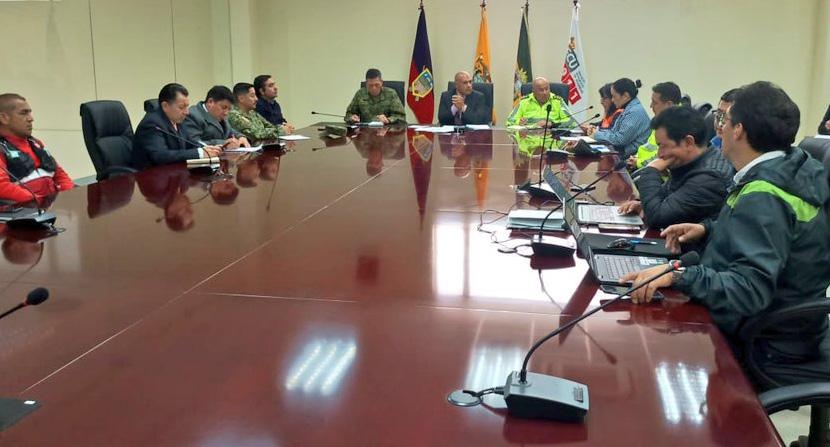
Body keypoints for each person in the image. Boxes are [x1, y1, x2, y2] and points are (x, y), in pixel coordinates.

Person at [622, 81, 830, 371]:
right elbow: (776, 235)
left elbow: (748, 290)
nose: (719, 128)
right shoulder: (788, 168)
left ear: (739, 130)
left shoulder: (765, 193)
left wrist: (679, 276)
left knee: (644, 354)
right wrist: (709, 229)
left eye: (724, 119)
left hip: (766, 340)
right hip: (787, 327)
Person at [618, 106, 733, 228]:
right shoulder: (689, 162)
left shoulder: (709, 177)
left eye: (662, 146)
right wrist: (643, 206)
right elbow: (666, 201)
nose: (659, 154)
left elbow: (657, 218)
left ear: (688, 142)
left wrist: (651, 170)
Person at [0, 93, 74, 205]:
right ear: (4, 118)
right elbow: (2, 187)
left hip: (54, 206)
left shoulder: (36, 143)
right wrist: (43, 202)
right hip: (28, 210)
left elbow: (60, 175)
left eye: (30, 113)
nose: (31, 119)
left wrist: (69, 197)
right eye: (23, 113)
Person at [133, 83, 222, 169]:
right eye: (181, 107)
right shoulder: (152, 124)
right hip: (149, 175)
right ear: (165, 106)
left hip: (173, 172)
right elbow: (161, 156)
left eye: (187, 106)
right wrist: (199, 153)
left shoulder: (177, 120)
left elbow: (190, 143)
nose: (187, 112)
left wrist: (205, 148)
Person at [584, 78, 651, 158]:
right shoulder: (629, 108)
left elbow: (620, 140)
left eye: (614, 96)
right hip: (620, 153)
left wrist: (597, 134)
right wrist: (597, 131)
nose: (612, 100)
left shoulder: (635, 112)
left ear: (625, 96)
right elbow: (614, 132)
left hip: (628, 158)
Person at [629, 82, 682, 170]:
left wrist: (638, 163)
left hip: (657, 172)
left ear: (669, 105)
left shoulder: (677, 125)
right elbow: (648, 146)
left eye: (655, 102)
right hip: (643, 165)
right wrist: (636, 158)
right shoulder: (662, 120)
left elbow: (663, 155)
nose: (651, 106)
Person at [182, 85, 250, 149]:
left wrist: (241, 137)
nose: (226, 113)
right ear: (210, 102)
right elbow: (194, 143)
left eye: (229, 109)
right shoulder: (192, 115)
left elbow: (230, 131)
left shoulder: (220, 114)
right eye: (224, 107)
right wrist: (224, 143)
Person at [506, 77, 576, 128]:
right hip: (529, 138)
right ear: (533, 91)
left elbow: (572, 122)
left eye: (547, 89)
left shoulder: (557, 101)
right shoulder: (524, 101)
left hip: (552, 138)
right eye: (541, 90)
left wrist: (552, 124)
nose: (545, 92)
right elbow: (510, 121)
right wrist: (519, 122)